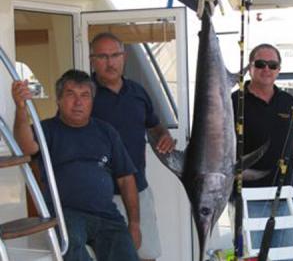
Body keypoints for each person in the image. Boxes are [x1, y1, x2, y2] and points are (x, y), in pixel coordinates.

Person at [12, 69, 140, 261]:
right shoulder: (46, 129)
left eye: (85, 96)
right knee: (72, 249)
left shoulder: (106, 132)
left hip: (107, 215)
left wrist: (135, 223)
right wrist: (21, 109)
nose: (78, 102)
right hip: (66, 214)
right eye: (71, 94)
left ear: (92, 101)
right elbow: (25, 146)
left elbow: (126, 179)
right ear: (59, 100)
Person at [89, 32, 175, 261]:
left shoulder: (138, 92)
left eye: (115, 55)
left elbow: (154, 126)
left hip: (139, 189)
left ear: (124, 56)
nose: (110, 62)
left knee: (147, 255)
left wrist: (164, 136)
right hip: (101, 197)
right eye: (103, 56)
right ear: (92, 60)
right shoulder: (84, 96)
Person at [231, 43, 293, 256]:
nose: (266, 69)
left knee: (289, 257)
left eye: (272, 65)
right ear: (250, 67)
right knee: (252, 257)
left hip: (287, 196)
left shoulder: (289, 102)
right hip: (247, 198)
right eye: (260, 64)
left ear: (279, 69)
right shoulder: (234, 102)